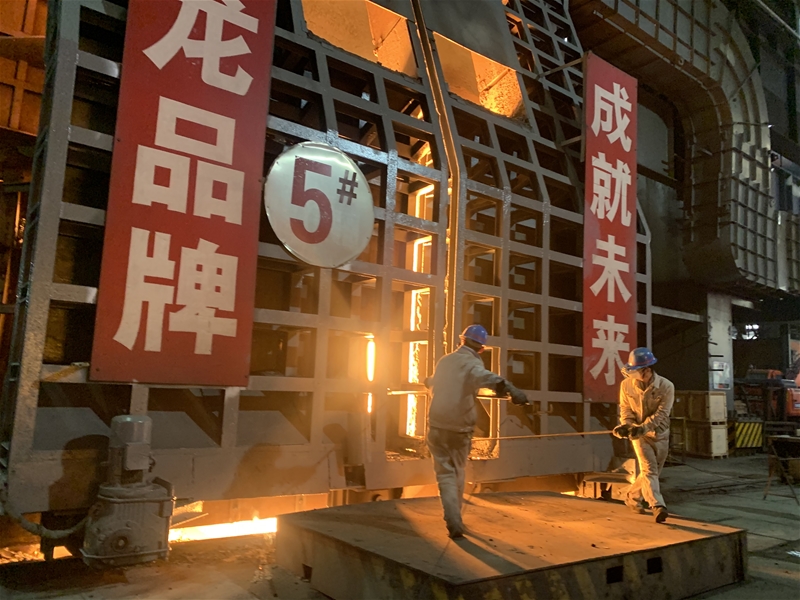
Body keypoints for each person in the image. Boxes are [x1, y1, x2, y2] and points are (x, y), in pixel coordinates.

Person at [424, 324, 529, 539]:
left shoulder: (445, 360)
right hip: (458, 430)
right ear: (481, 348)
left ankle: (452, 520)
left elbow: (435, 382)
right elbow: (486, 377)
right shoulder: (472, 363)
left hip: (435, 426)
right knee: (456, 473)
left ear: (461, 340)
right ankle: (455, 522)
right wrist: (512, 390)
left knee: (444, 474)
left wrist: (429, 382)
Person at [613, 347, 675, 523]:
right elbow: (625, 408)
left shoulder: (666, 386)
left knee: (652, 474)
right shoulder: (626, 385)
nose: (632, 374)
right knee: (649, 470)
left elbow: (662, 414)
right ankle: (657, 506)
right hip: (639, 436)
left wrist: (643, 427)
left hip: (660, 434)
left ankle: (632, 497)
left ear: (646, 370)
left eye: (635, 370)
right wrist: (627, 425)